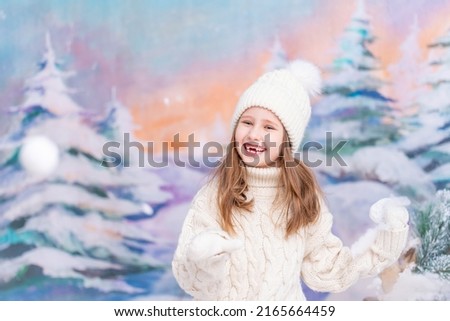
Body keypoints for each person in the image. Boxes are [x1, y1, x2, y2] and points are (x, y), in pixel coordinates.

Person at [171, 60, 410, 300]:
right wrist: (204, 259)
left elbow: (327, 271)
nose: (254, 134)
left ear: (287, 140)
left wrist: (387, 240)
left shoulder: (302, 195)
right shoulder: (215, 194)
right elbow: (188, 278)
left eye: (269, 127)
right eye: (247, 122)